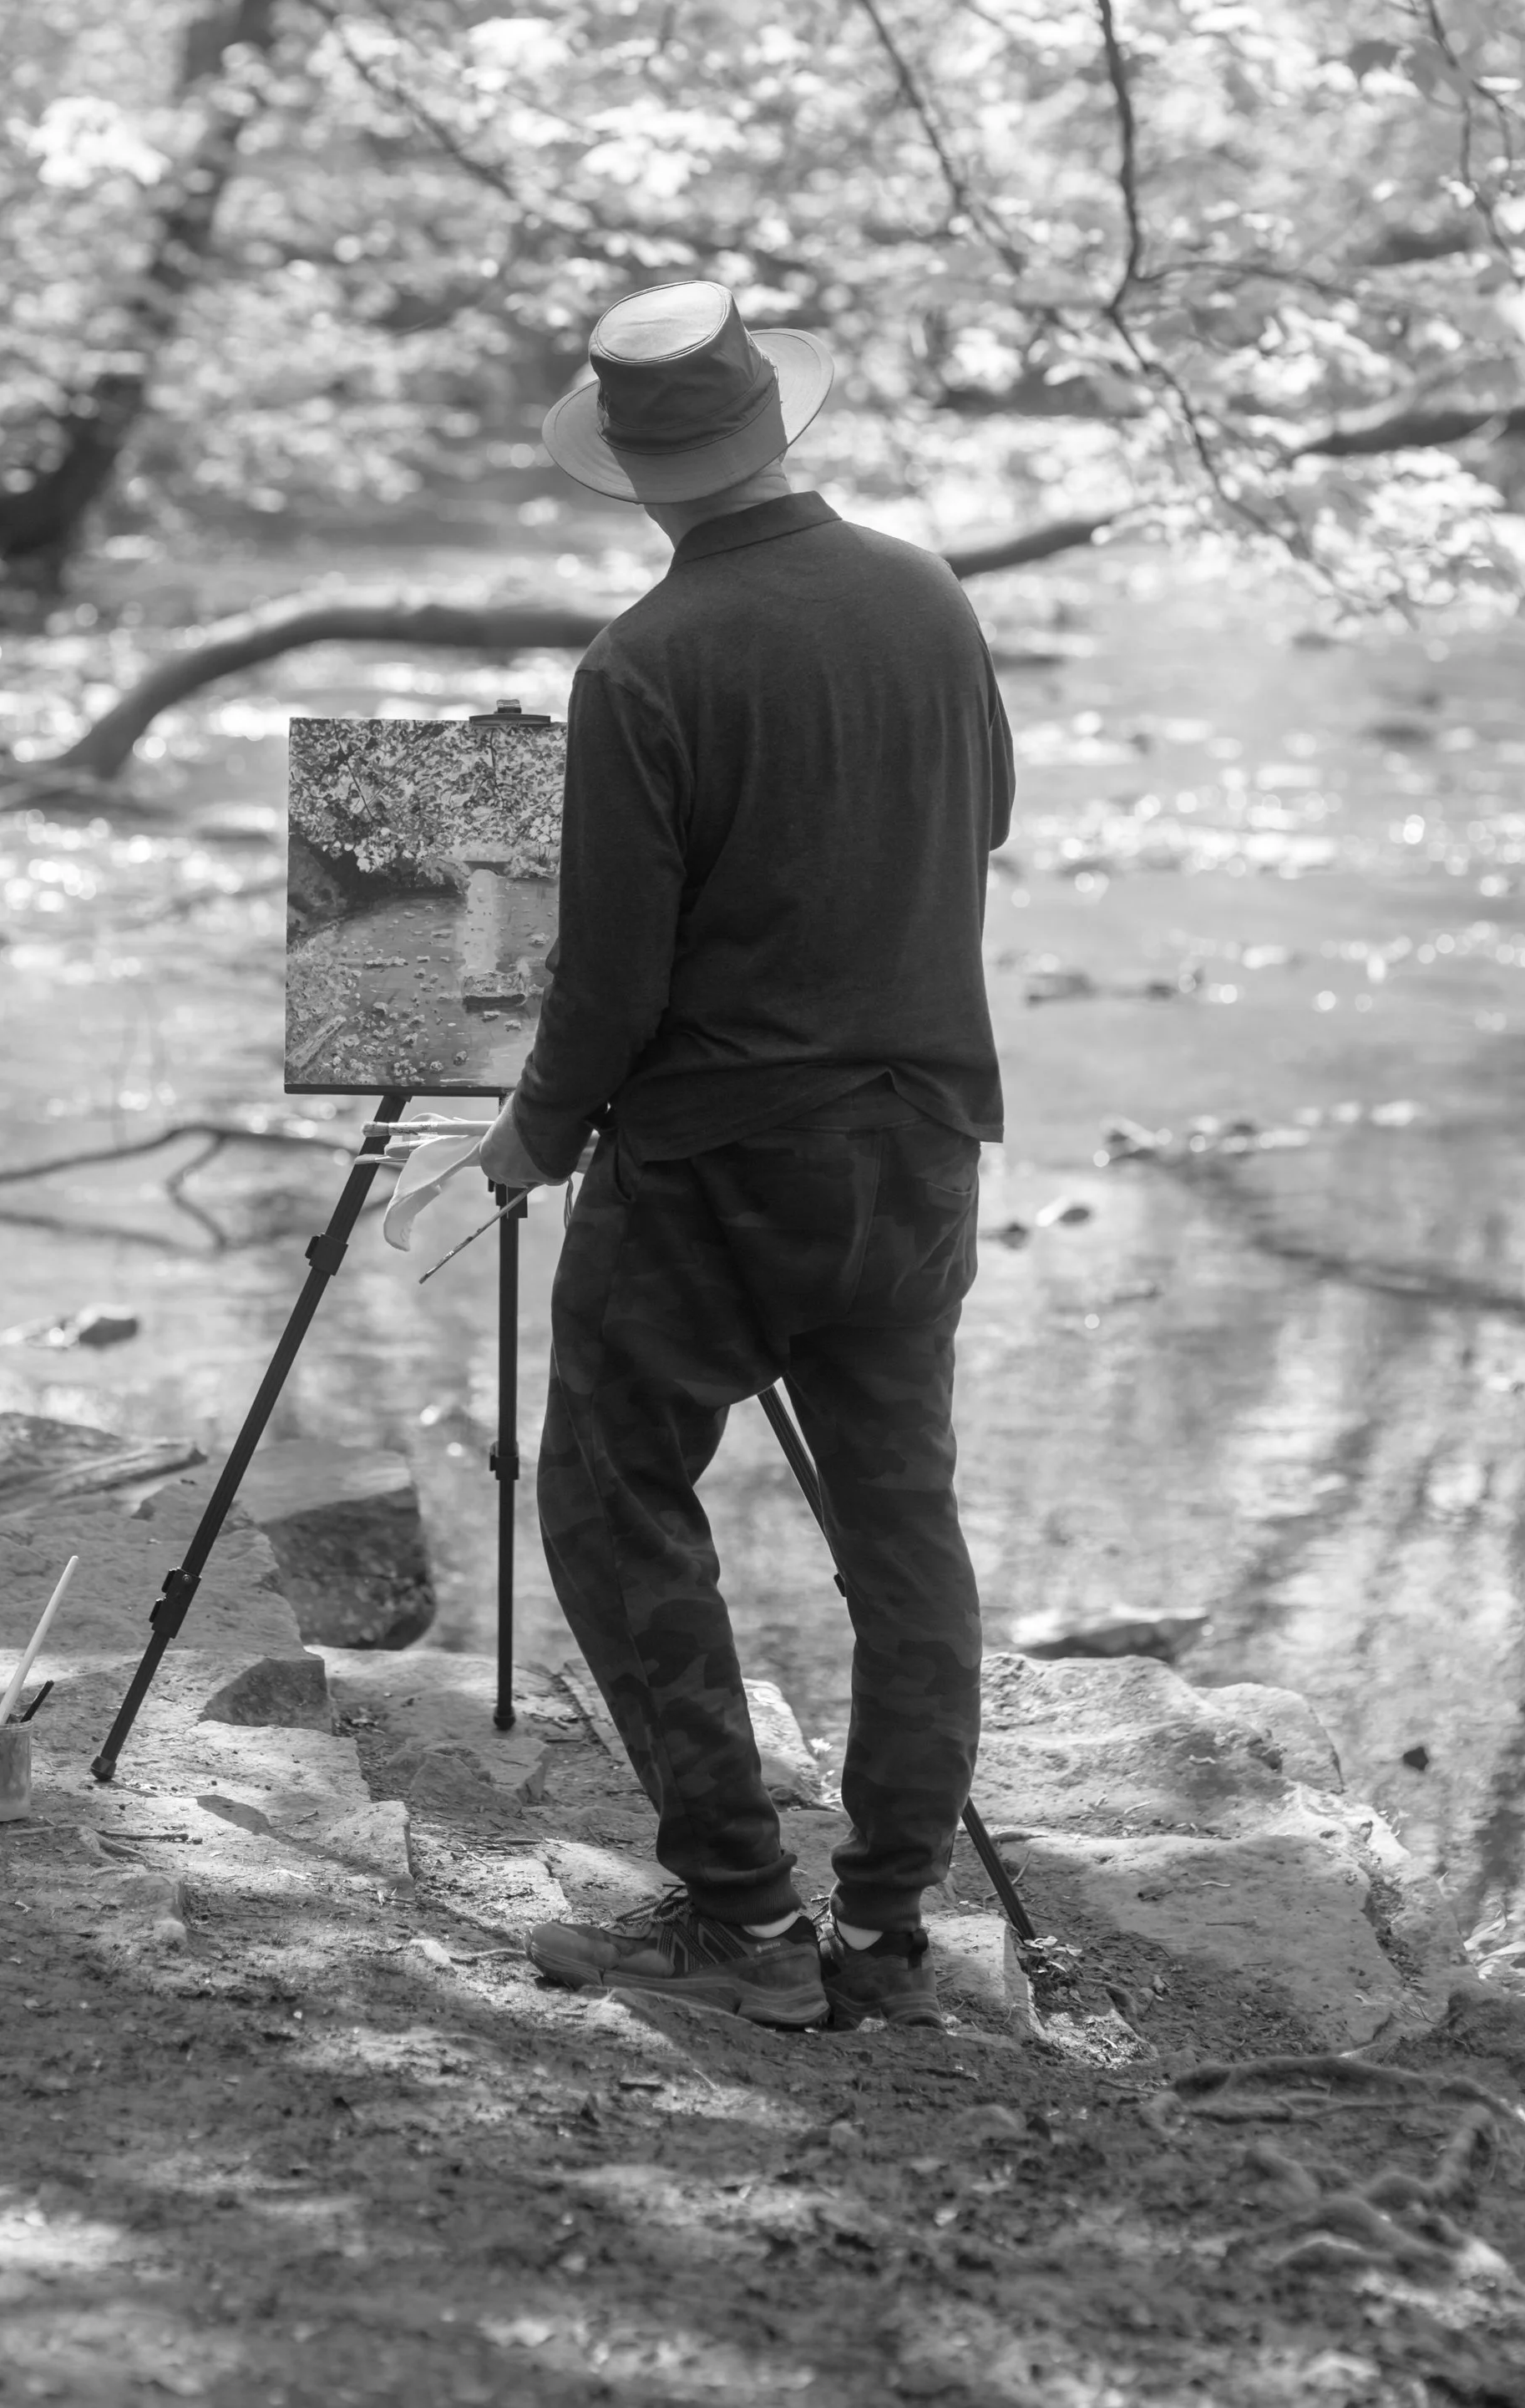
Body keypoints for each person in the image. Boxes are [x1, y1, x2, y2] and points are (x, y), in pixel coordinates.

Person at [478, 278, 1012, 2030]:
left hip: (714, 1166)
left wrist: (530, 1135)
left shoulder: (644, 663)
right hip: (921, 1144)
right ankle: (882, 1935)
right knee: (899, 1529)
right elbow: (981, 817)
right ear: (775, 429)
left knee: (610, 1491)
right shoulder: (927, 595)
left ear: (635, 475)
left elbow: (611, 974)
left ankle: (738, 1920)